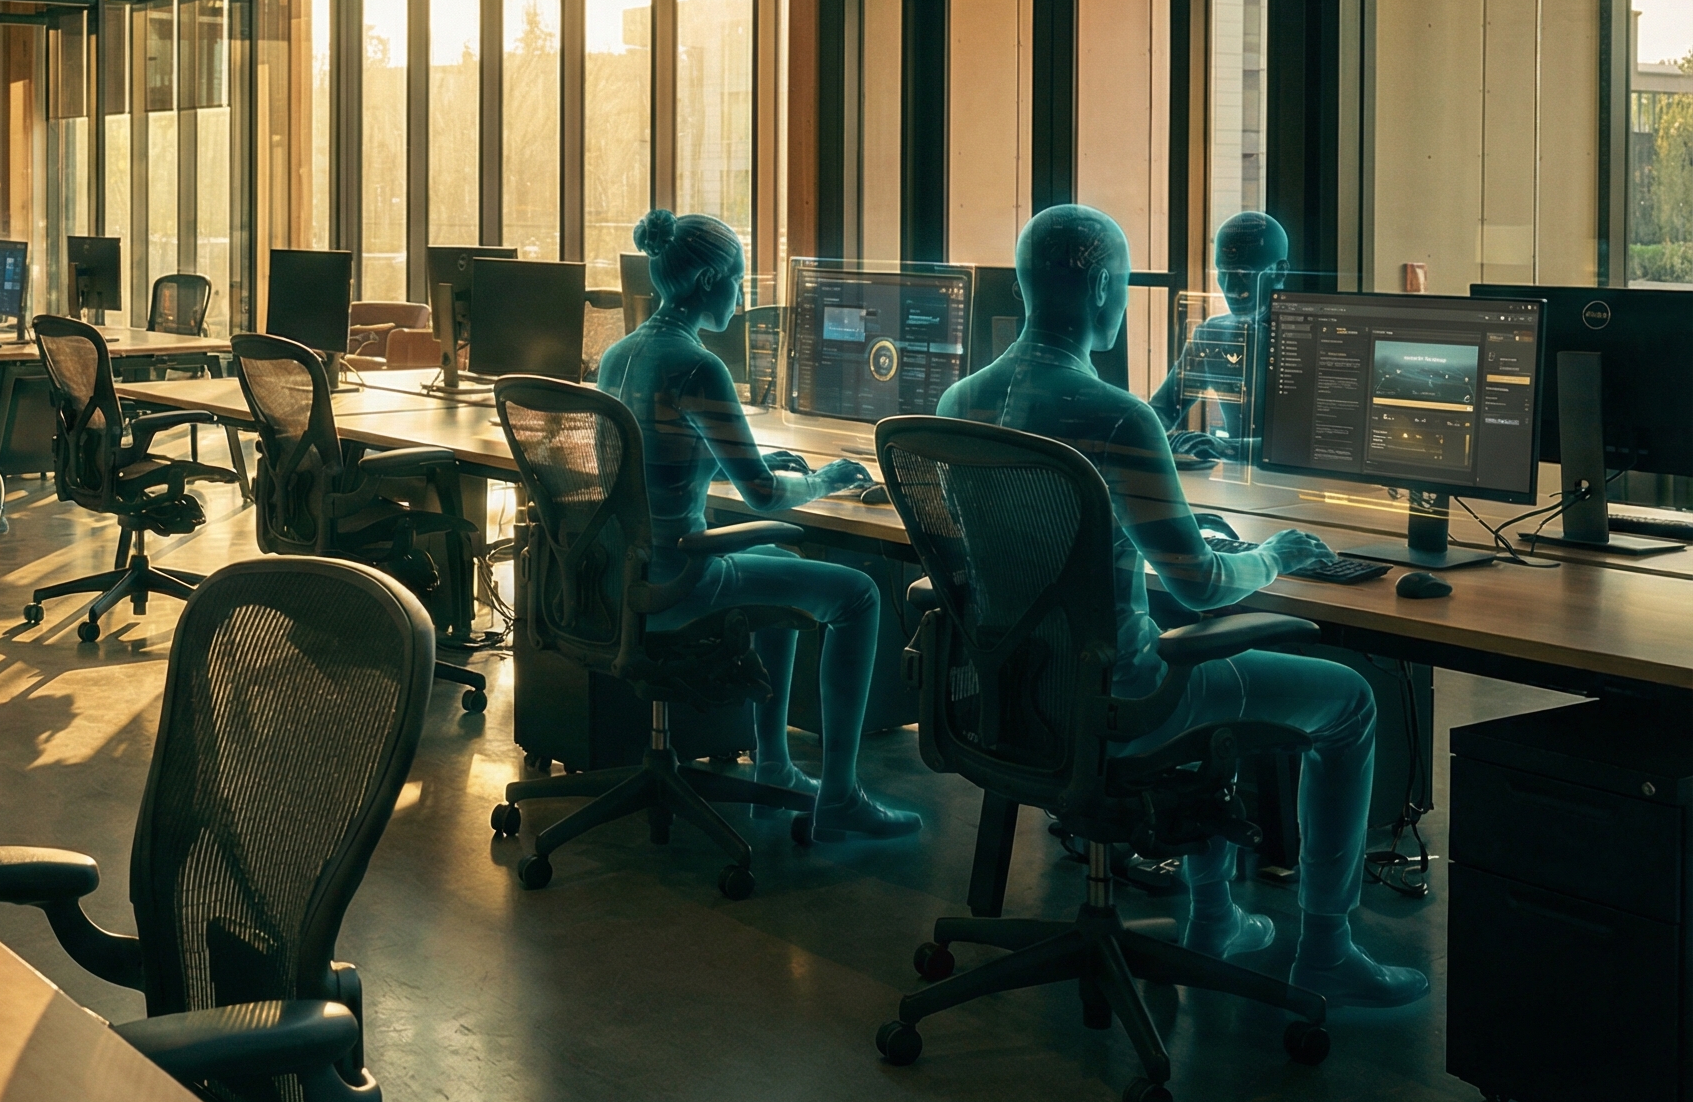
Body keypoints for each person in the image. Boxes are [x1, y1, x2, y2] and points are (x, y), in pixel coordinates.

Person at [937, 204, 1426, 1008]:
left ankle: (1217, 915)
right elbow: (1199, 585)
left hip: (1021, 694)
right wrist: (1272, 555)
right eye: (1123, 284)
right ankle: (1328, 951)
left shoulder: (959, 402)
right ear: (1101, 288)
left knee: (1188, 641)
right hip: (1126, 700)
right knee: (1349, 700)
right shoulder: (1116, 417)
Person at [596, 208, 919, 840]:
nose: (742, 297)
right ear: (710, 279)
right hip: (683, 578)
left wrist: (739, 459)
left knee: (790, 569)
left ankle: (774, 763)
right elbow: (767, 497)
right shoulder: (698, 366)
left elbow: (656, 465)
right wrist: (826, 479)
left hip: (621, 575)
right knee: (858, 594)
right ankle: (843, 796)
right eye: (739, 281)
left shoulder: (621, 354)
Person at [1150, 211, 1289, 461]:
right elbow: (1162, 410)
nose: (1229, 287)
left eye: (1243, 273)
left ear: (1280, 272)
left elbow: (1308, 442)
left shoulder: (1313, 339)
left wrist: (1222, 447)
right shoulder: (1211, 334)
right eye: (1222, 272)